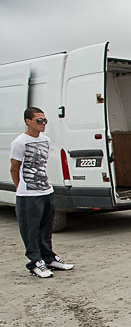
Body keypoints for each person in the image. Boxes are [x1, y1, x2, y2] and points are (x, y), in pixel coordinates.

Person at [10, 107, 74, 278]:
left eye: (45, 120)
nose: (43, 123)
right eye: (39, 121)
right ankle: (34, 262)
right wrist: (20, 188)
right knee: (31, 230)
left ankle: (48, 257)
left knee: (46, 228)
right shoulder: (19, 142)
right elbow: (14, 168)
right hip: (28, 194)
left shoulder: (45, 140)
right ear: (28, 121)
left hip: (46, 190)